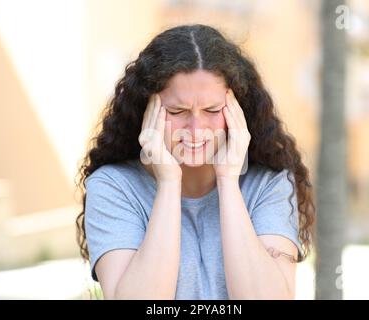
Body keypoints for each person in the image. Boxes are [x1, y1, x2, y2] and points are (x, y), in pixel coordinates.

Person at [76, 24, 315, 300]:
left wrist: (228, 181)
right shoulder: (112, 187)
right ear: (146, 110)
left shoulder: (269, 183)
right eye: (177, 111)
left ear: (238, 110)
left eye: (212, 110)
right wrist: (168, 183)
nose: (195, 129)